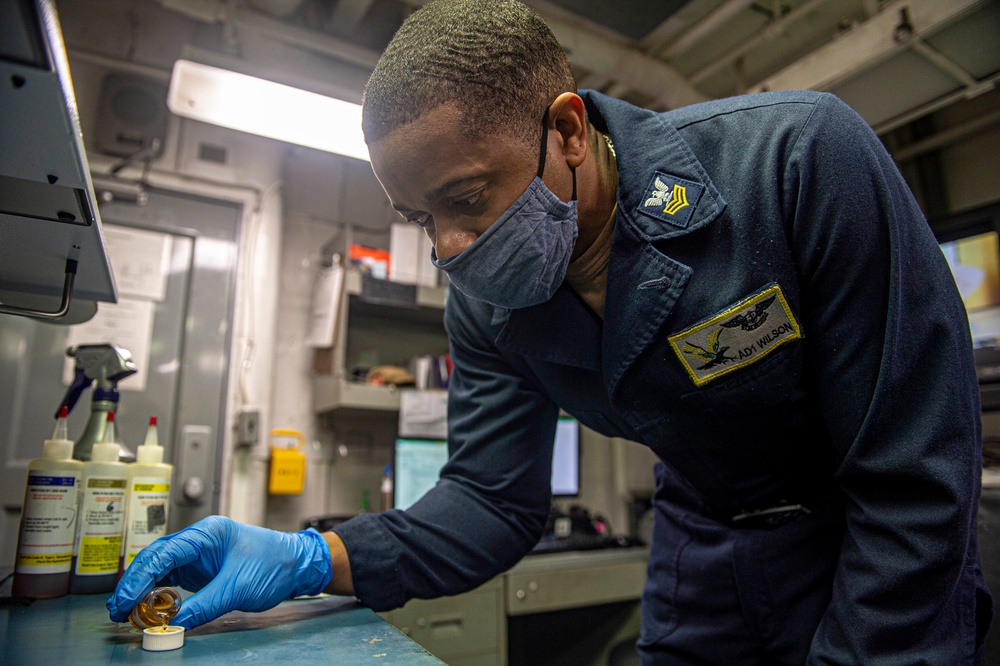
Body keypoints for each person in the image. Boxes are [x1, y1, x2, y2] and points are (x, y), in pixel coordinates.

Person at [108, 0, 993, 662]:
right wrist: (311, 554)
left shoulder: (793, 162)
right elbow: (493, 501)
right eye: (420, 219)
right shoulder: (488, 302)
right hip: (702, 549)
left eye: (465, 199)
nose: (450, 250)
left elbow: (913, 477)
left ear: (567, 129)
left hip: (875, 544)